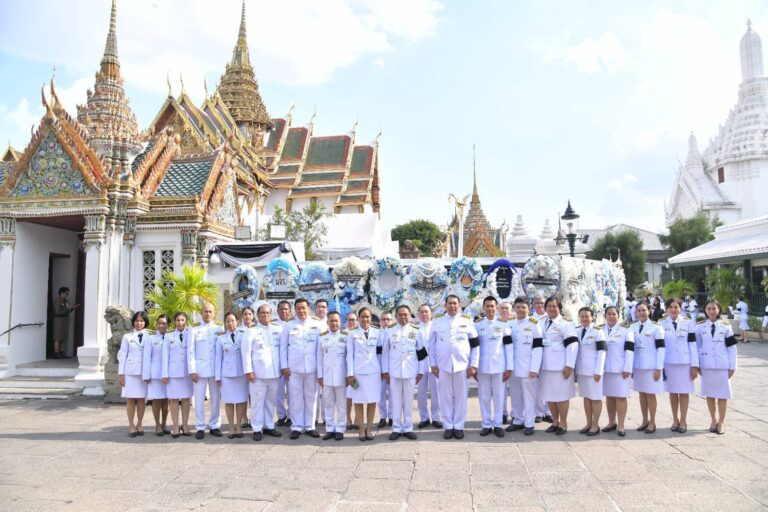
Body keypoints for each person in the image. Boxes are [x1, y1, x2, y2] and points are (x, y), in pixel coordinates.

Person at [429, 295, 479, 440]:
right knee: (444, 397)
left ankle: (458, 426)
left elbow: (475, 344)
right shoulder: (437, 321)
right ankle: (448, 426)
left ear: (459, 305)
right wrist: (433, 364)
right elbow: (431, 344)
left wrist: (473, 365)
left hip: (462, 365)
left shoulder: (467, 320)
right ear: (445, 305)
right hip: (443, 365)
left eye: (455, 303)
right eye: (450, 303)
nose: (452, 306)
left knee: (460, 397)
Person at [381, 305, 427, 440]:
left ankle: (407, 427)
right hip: (394, 372)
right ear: (396, 316)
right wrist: (385, 371)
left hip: (411, 371)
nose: (403, 317)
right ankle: (396, 427)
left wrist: (420, 371)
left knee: (408, 401)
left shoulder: (416, 331)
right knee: (395, 401)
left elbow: (422, 353)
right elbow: (385, 353)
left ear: (410, 315)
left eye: (405, 314)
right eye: (400, 314)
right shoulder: (389, 331)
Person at [281, 298, 323, 439]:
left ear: (308, 308)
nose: (301, 311)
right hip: (294, 369)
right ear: (295, 310)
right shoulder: (289, 325)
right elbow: (283, 347)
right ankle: (297, 426)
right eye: (298, 308)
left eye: (303, 308)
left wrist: (320, 369)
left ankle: (310, 426)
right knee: (295, 398)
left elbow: (321, 348)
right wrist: (284, 366)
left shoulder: (317, 324)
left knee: (312, 397)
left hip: (312, 367)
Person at [696, 300, 738, 435]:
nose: (711, 311)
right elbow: (696, 346)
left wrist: (733, 366)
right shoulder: (700, 326)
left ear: (719, 310)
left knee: (722, 395)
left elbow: (732, 348)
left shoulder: (726, 326)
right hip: (706, 364)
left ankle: (721, 422)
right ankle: (713, 420)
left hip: (722, 365)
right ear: (705, 310)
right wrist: (697, 364)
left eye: (714, 308)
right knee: (709, 394)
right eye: (708, 309)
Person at [243, 304, 284, 441]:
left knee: (270, 402)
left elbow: (282, 350)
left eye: (267, 313)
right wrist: (248, 370)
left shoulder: (277, 329)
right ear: (257, 315)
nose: (265, 315)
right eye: (262, 313)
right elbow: (246, 353)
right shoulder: (251, 331)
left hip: (274, 373)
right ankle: (256, 428)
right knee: (257, 403)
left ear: (271, 315)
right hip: (257, 374)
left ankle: (269, 426)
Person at [539, 297, 578, 436]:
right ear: (545, 308)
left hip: (560, 366)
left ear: (559, 308)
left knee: (562, 396)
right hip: (545, 366)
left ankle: (563, 422)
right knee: (549, 396)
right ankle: (555, 421)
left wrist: (569, 365)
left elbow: (572, 345)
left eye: (554, 306)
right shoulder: (541, 322)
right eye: (549, 306)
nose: (551, 308)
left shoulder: (566, 323)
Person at [475, 297, 513, 437]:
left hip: (499, 367)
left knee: (499, 396)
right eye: (487, 306)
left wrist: (509, 367)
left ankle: (498, 424)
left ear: (496, 308)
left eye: (492, 306)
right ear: (483, 308)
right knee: (484, 397)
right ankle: (486, 424)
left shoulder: (503, 324)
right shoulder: (477, 325)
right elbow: (474, 347)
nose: (490, 309)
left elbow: (509, 347)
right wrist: (473, 366)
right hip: (482, 366)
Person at [662, 298, 698, 434]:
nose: (673, 309)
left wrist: (694, 365)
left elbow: (693, 344)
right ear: (667, 309)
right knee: (672, 392)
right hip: (669, 362)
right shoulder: (661, 323)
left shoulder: (688, 323)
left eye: (676, 307)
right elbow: (660, 346)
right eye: (670, 307)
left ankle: (683, 420)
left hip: (685, 362)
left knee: (683, 392)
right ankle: (675, 419)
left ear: (680, 308)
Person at [507, 297, 543, 436]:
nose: (520, 310)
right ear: (514, 309)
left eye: (523, 307)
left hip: (528, 367)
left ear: (529, 309)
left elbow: (538, 348)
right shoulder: (509, 323)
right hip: (513, 366)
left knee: (529, 396)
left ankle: (529, 423)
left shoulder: (534, 324)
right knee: (515, 395)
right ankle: (517, 420)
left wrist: (534, 368)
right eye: (518, 307)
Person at [346, 307, 382, 441]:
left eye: (367, 317)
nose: (365, 319)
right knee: (358, 401)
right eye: (362, 317)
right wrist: (350, 374)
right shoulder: (352, 333)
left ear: (371, 318)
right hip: (358, 373)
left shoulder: (378, 332)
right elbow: (349, 355)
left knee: (372, 401)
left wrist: (382, 371)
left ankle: (369, 428)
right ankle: (361, 429)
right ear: (359, 318)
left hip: (373, 372)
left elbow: (380, 353)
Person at [190, 302, 223, 439]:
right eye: (205, 311)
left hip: (215, 370)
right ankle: (200, 426)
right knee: (199, 399)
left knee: (216, 399)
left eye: (210, 311)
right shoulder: (194, 329)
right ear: (201, 313)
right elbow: (191, 351)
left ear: (214, 313)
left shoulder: (219, 328)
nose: (208, 314)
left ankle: (214, 425)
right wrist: (192, 370)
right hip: (200, 370)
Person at [631, 302, 665, 434]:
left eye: (644, 310)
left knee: (650, 394)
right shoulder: (632, 327)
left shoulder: (656, 327)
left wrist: (658, 368)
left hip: (651, 366)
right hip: (638, 365)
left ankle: (652, 422)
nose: (641, 313)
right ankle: (645, 420)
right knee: (641, 393)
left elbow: (661, 349)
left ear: (649, 311)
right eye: (639, 310)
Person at [600, 306, 634, 437]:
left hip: (620, 369)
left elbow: (630, 350)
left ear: (618, 316)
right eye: (609, 314)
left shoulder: (626, 330)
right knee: (609, 396)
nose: (611, 316)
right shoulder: (600, 329)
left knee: (620, 396)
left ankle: (621, 424)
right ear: (605, 316)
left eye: (614, 314)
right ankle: (611, 422)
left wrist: (627, 368)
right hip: (605, 369)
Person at [215, 312, 248, 439]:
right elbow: (218, 358)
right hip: (227, 375)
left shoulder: (244, 336)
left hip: (241, 374)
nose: (230, 323)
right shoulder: (221, 338)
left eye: (232, 320)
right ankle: (231, 427)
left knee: (240, 401)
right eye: (227, 321)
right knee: (228, 402)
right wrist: (218, 377)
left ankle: (238, 426)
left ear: (237, 322)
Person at [575, 307, 607, 436]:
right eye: (582, 316)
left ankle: (595, 425)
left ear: (592, 317)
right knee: (586, 397)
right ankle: (588, 423)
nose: (584, 318)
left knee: (596, 398)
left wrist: (598, 371)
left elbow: (602, 352)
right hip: (582, 370)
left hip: (594, 370)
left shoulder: (598, 331)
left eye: (587, 316)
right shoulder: (577, 330)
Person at [316, 311, 348, 440]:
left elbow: (348, 358)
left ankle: (340, 428)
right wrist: (320, 376)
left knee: (341, 404)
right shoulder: (322, 337)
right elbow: (319, 358)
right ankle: (329, 428)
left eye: (336, 321)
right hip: (327, 376)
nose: (334, 323)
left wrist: (349, 375)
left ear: (340, 322)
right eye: (331, 321)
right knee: (328, 404)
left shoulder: (346, 336)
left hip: (341, 376)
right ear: (327, 322)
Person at [162, 312, 194, 438]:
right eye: (178, 320)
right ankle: (175, 426)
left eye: (182, 320)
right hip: (173, 372)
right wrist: (165, 374)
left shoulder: (191, 334)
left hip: (186, 372)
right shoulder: (169, 336)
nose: (180, 322)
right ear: (174, 322)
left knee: (186, 399)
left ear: (186, 321)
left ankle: (185, 425)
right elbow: (165, 356)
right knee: (174, 400)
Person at [118, 311, 149, 437]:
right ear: (133, 322)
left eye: (141, 321)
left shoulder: (150, 336)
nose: (139, 323)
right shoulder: (127, 337)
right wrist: (121, 374)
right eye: (136, 321)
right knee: (130, 399)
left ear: (145, 322)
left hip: (144, 373)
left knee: (141, 399)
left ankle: (140, 424)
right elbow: (122, 355)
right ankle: (131, 425)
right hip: (130, 372)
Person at [416, 304, 443, 429]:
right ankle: (424, 417)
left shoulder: (437, 326)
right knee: (421, 393)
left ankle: (437, 417)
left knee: (436, 392)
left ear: (431, 313)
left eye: (426, 311)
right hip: (420, 365)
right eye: (421, 312)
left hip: (434, 365)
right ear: (418, 314)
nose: (424, 314)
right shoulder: (415, 328)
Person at [143, 314, 170, 436]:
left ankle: (164, 424)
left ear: (168, 325)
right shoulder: (151, 338)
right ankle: (157, 425)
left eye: (164, 323)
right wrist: (146, 375)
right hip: (156, 373)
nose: (161, 325)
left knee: (167, 401)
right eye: (159, 323)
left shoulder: (171, 337)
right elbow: (147, 357)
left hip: (169, 373)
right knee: (157, 399)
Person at [529, 296, 552, 424]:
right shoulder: (529, 319)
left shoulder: (551, 319)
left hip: (549, 356)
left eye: (542, 303)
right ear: (533, 305)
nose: (540, 305)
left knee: (548, 385)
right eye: (537, 303)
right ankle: (538, 412)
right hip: (534, 356)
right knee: (536, 387)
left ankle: (548, 412)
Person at [275, 300, 293, 427]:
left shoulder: (294, 324)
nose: (284, 311)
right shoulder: (272, 325)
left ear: (290, 310)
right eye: (281, 309)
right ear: (277, 311)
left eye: (286, 309)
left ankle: (291, 415)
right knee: (278, 392)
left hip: (292, 363)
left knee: (292, 392)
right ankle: (281, 415)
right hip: (277, 364)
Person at [377, 311, 394, 428]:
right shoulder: (376, 334)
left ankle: (392, 416)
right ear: (380, 321)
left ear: (392, 321)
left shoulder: (395, 333)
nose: (386, 321)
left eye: (388, 319)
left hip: (393, 369)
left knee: (393, 395)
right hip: (379, 369)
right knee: (380, 395)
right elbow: (376, 353)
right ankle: (382, 416)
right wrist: (381, 370)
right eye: (383, 319)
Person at [314, 299, 329, 425]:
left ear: (327, 309)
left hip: (328, 363)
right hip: (313, 363)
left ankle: (325, 418)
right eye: (319, 307)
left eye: (323, 307)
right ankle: (313, 418)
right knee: (314, 393)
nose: (321, 309)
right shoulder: (311, 323)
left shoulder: (332, 322)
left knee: (326, 393)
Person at [51, 287, 78, 359]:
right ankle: (56, 353)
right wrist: (68, 309)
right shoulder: (57, 301)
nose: (67, 295)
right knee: (57, 337)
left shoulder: (66, 301)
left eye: (67, 294)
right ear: (61, 293)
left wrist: (72, 308)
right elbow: (57, 312)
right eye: (66, 294)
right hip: (58, 321)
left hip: (64, 321)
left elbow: (66, 311)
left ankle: (62, 353)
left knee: (63, 337)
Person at [344, 311, 360, 431]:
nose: (351, 322)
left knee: (357, 393)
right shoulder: (342, 333)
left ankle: (357, 419)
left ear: (357, 321)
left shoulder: (359, 333)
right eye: (349, 320)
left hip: (358, 370)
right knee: (348, 396)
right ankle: (348, 418)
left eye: (353, 319)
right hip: (345, 370)